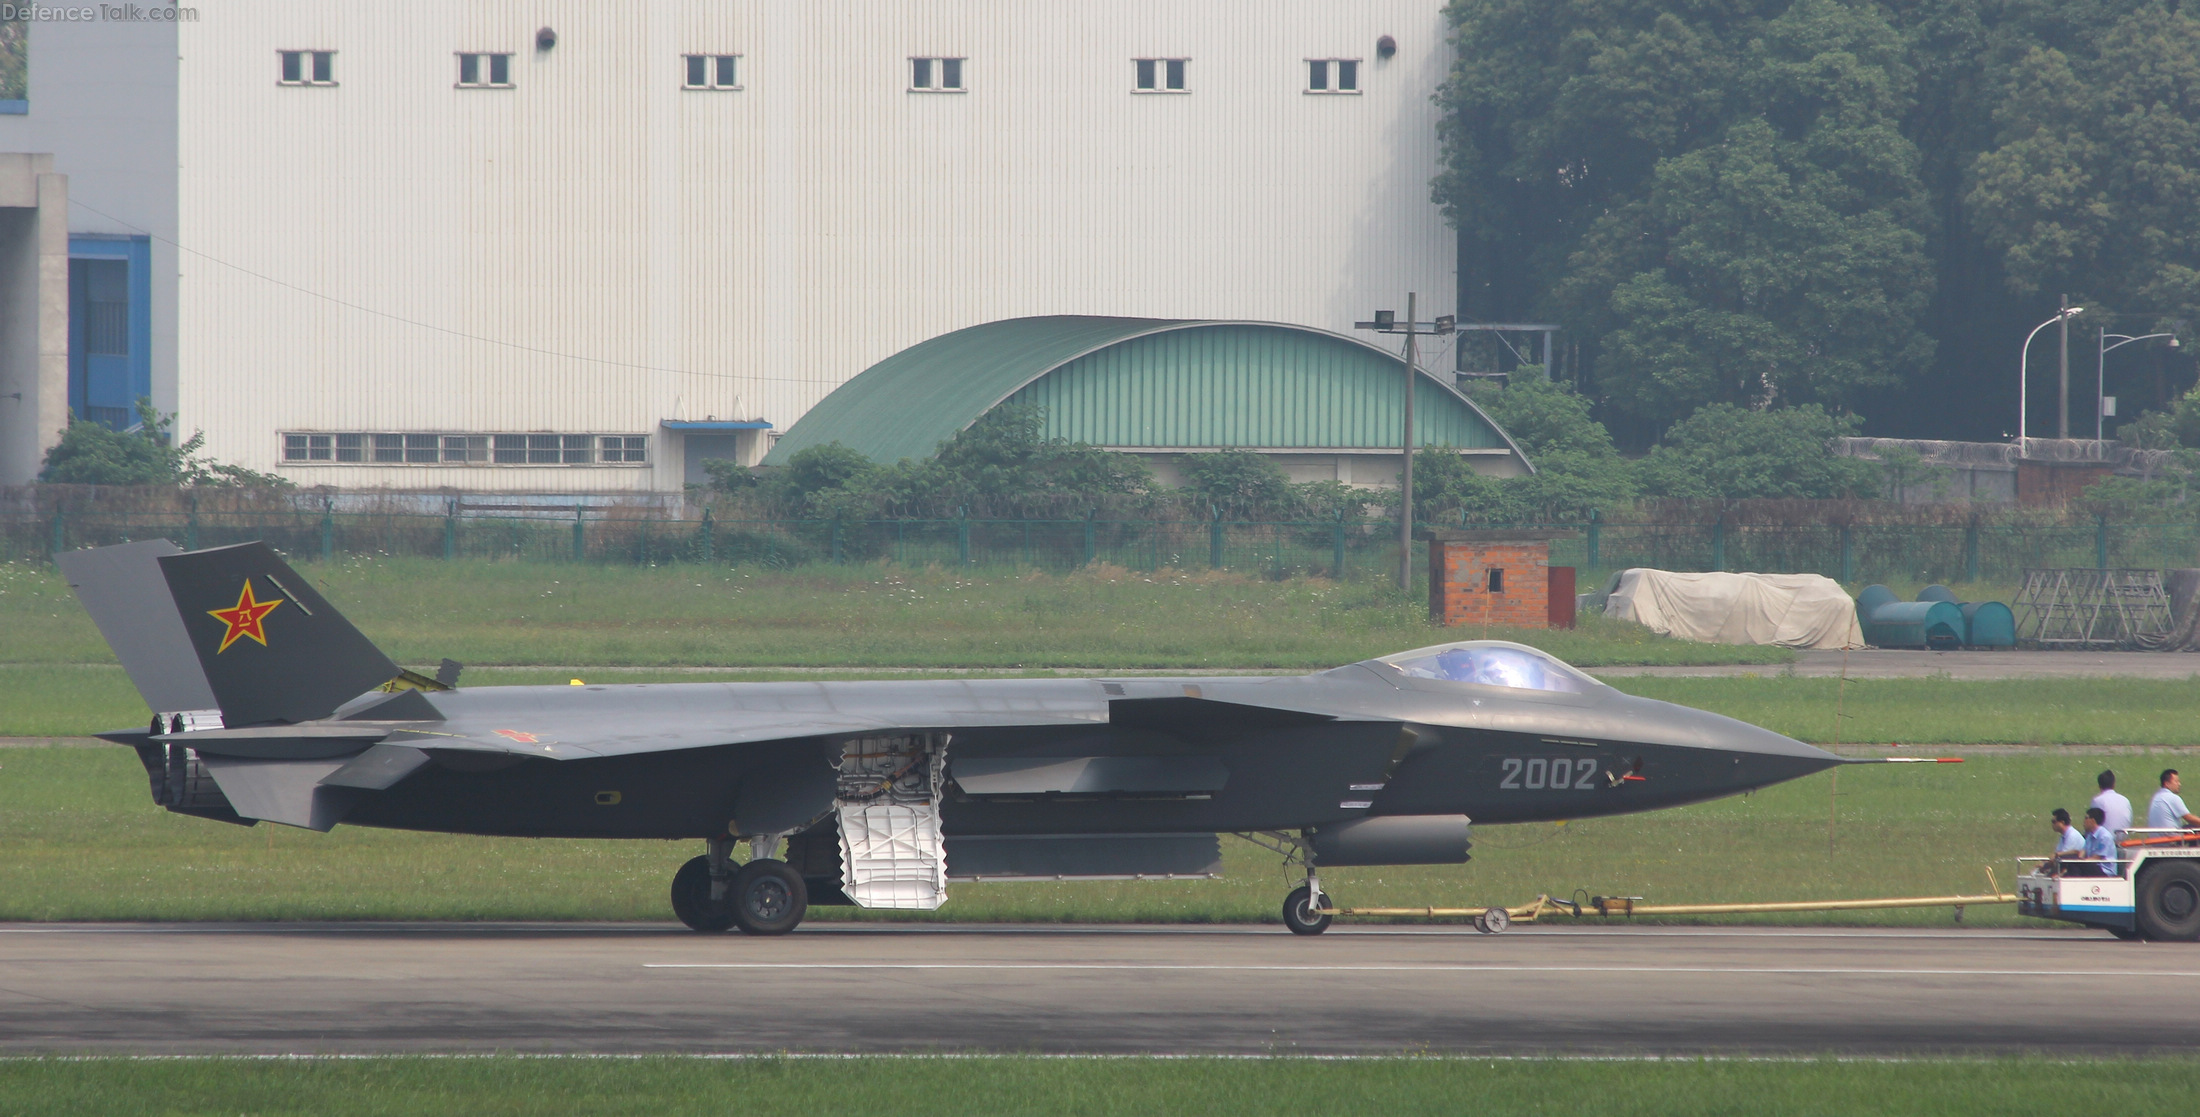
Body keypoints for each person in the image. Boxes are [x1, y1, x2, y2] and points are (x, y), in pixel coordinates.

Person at [2079, 807, 2121, 876]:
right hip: (2093, 866)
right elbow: (2083, 852)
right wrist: (2077, 860)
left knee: (2083, 866)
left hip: (2104, 870)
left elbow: (2097, 858)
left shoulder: (2104, 837)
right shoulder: (2089, 835)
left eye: (2086, 818)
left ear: (2092, 820)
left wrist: (2081, 863)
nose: (2084, 821)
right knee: (2072, 864)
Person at [2092, 770, 2133, 835]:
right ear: (2114, 784)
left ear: (2099, 786)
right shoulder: (2125, 800)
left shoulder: (2097, 801)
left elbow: (2092, 824)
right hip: (2123, 840)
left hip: (2105, 840)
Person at [2049, 807, 2085, 874]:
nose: (2052, 824)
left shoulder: (2072, 835)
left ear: (2062, 822)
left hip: (2077, 869)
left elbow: (2063, 858)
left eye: (2054, 822)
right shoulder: (2064, 836)